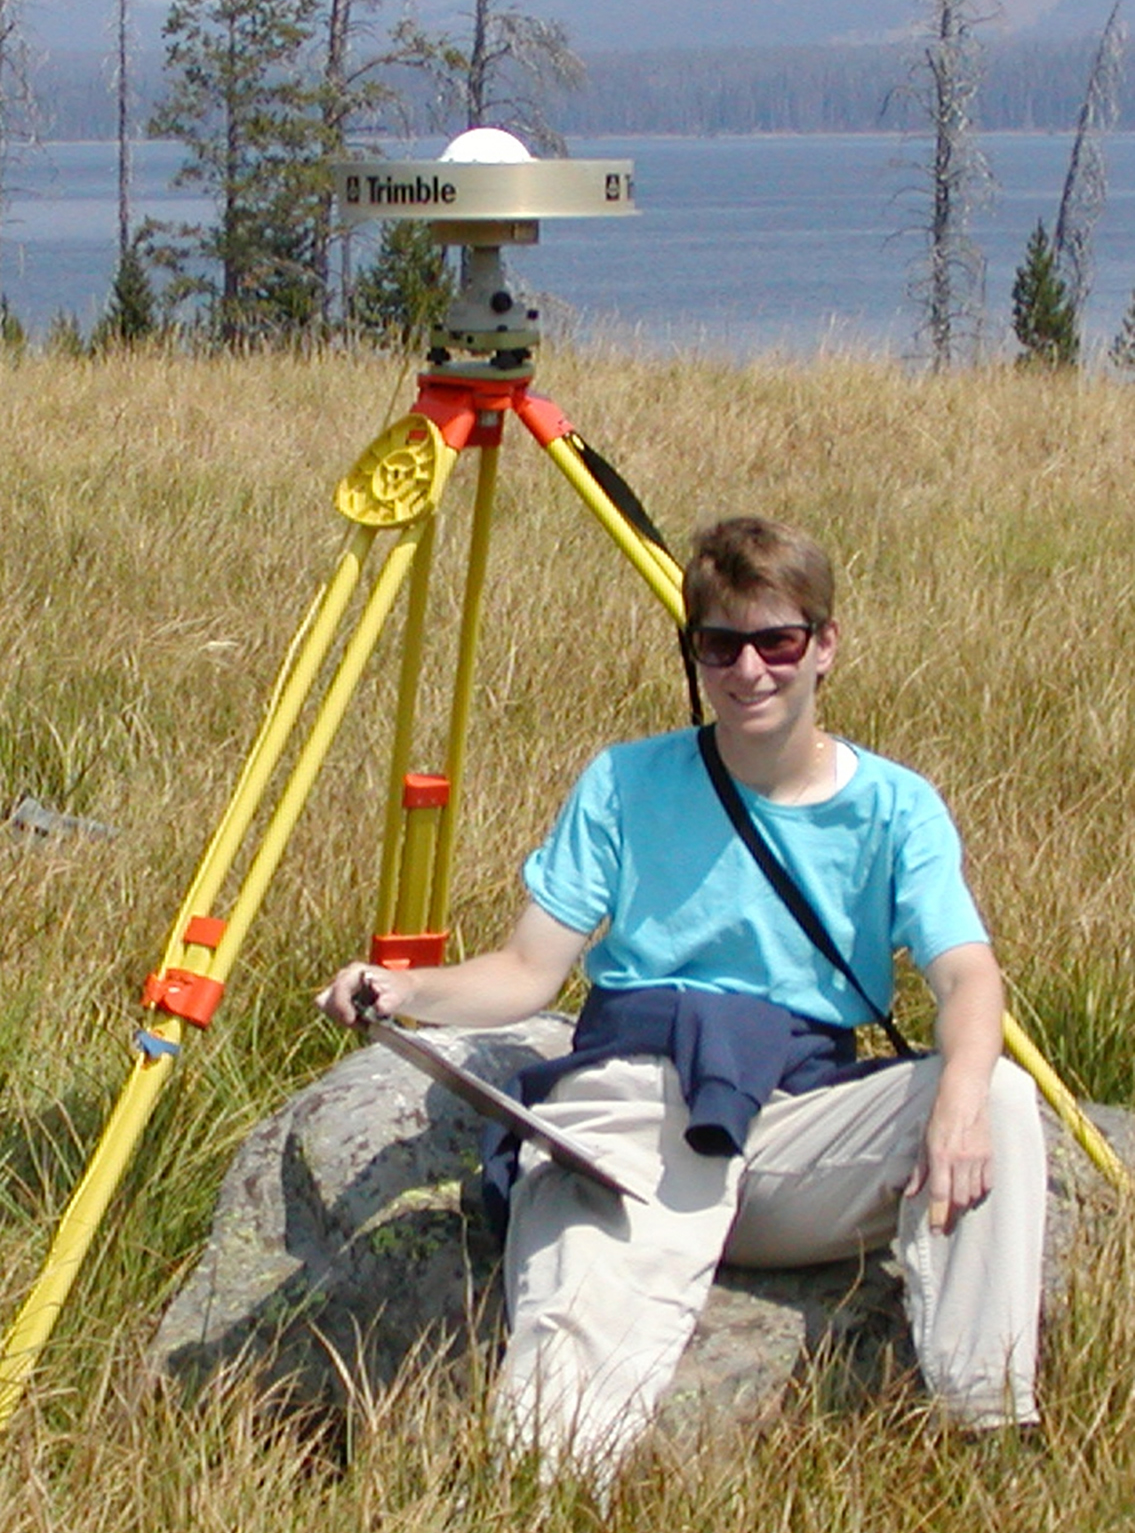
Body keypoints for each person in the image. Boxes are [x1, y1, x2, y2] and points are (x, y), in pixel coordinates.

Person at [319, 515, 1046, 1472]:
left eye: (776, 641)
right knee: (578, 1321)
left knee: (993, 1093)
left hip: (795, 1129)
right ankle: (541, 1508)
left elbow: (965, 973)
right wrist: (402, 988)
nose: (749, 671)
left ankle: (985, 1429)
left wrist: (954, 1105)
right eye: (720, 646)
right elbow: (528, 972)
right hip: (639, 1102)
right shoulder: (625, 782)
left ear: (824, 646)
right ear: (693, 655)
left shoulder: (895, 805)